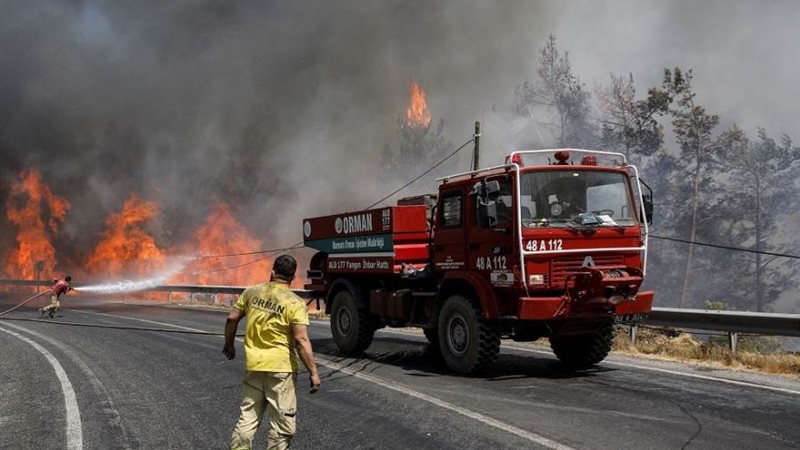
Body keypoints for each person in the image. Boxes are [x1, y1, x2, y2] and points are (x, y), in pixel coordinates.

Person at [223, 255, 320, 450]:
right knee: (282, 425)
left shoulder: (251, 292)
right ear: (292, 277)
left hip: (254, 366)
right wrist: (314, 372)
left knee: (248, 419)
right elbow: (301, 340)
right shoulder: (294, 303)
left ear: (273, 272)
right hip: (280, 370)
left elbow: (232, 318)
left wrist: (230, 344)